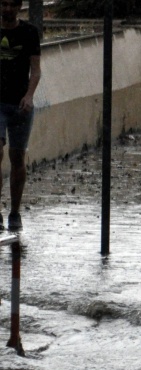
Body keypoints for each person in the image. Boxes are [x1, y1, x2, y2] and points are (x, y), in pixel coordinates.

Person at [0, 0, 41, 231]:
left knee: (17, 158)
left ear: (19, 7)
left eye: (11, 5)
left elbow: (36, 71)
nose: (7, 9)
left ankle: (14, 213)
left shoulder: (29, 33)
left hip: (20, 105)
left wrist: (29, 95)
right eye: (3, 4)